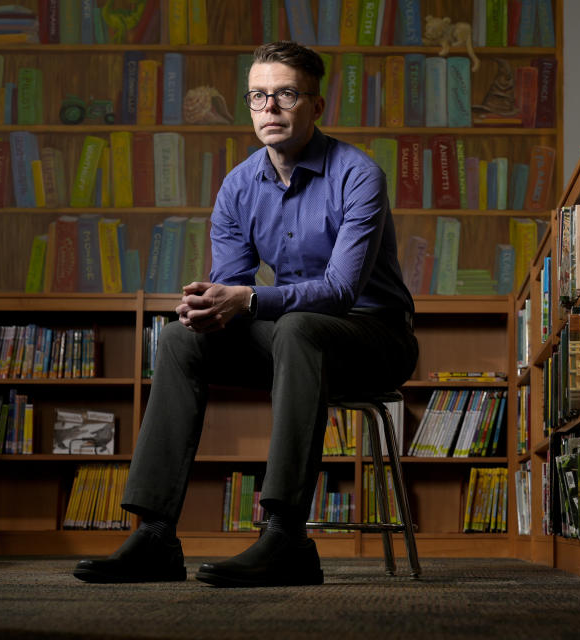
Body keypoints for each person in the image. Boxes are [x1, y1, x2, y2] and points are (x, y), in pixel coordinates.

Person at [73, 41, 418, 587]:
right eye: (258, 97)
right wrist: (206, 306)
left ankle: (286, 536)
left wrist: (249, 301)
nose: (270, 109)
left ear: (317, 104)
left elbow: (340, 291)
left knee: (300, 327)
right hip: (290, 340)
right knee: (181, 340)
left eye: (285, 94)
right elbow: (232, 288)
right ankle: (155, 534)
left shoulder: (358, 175)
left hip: (375, 339)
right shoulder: (238, 185)